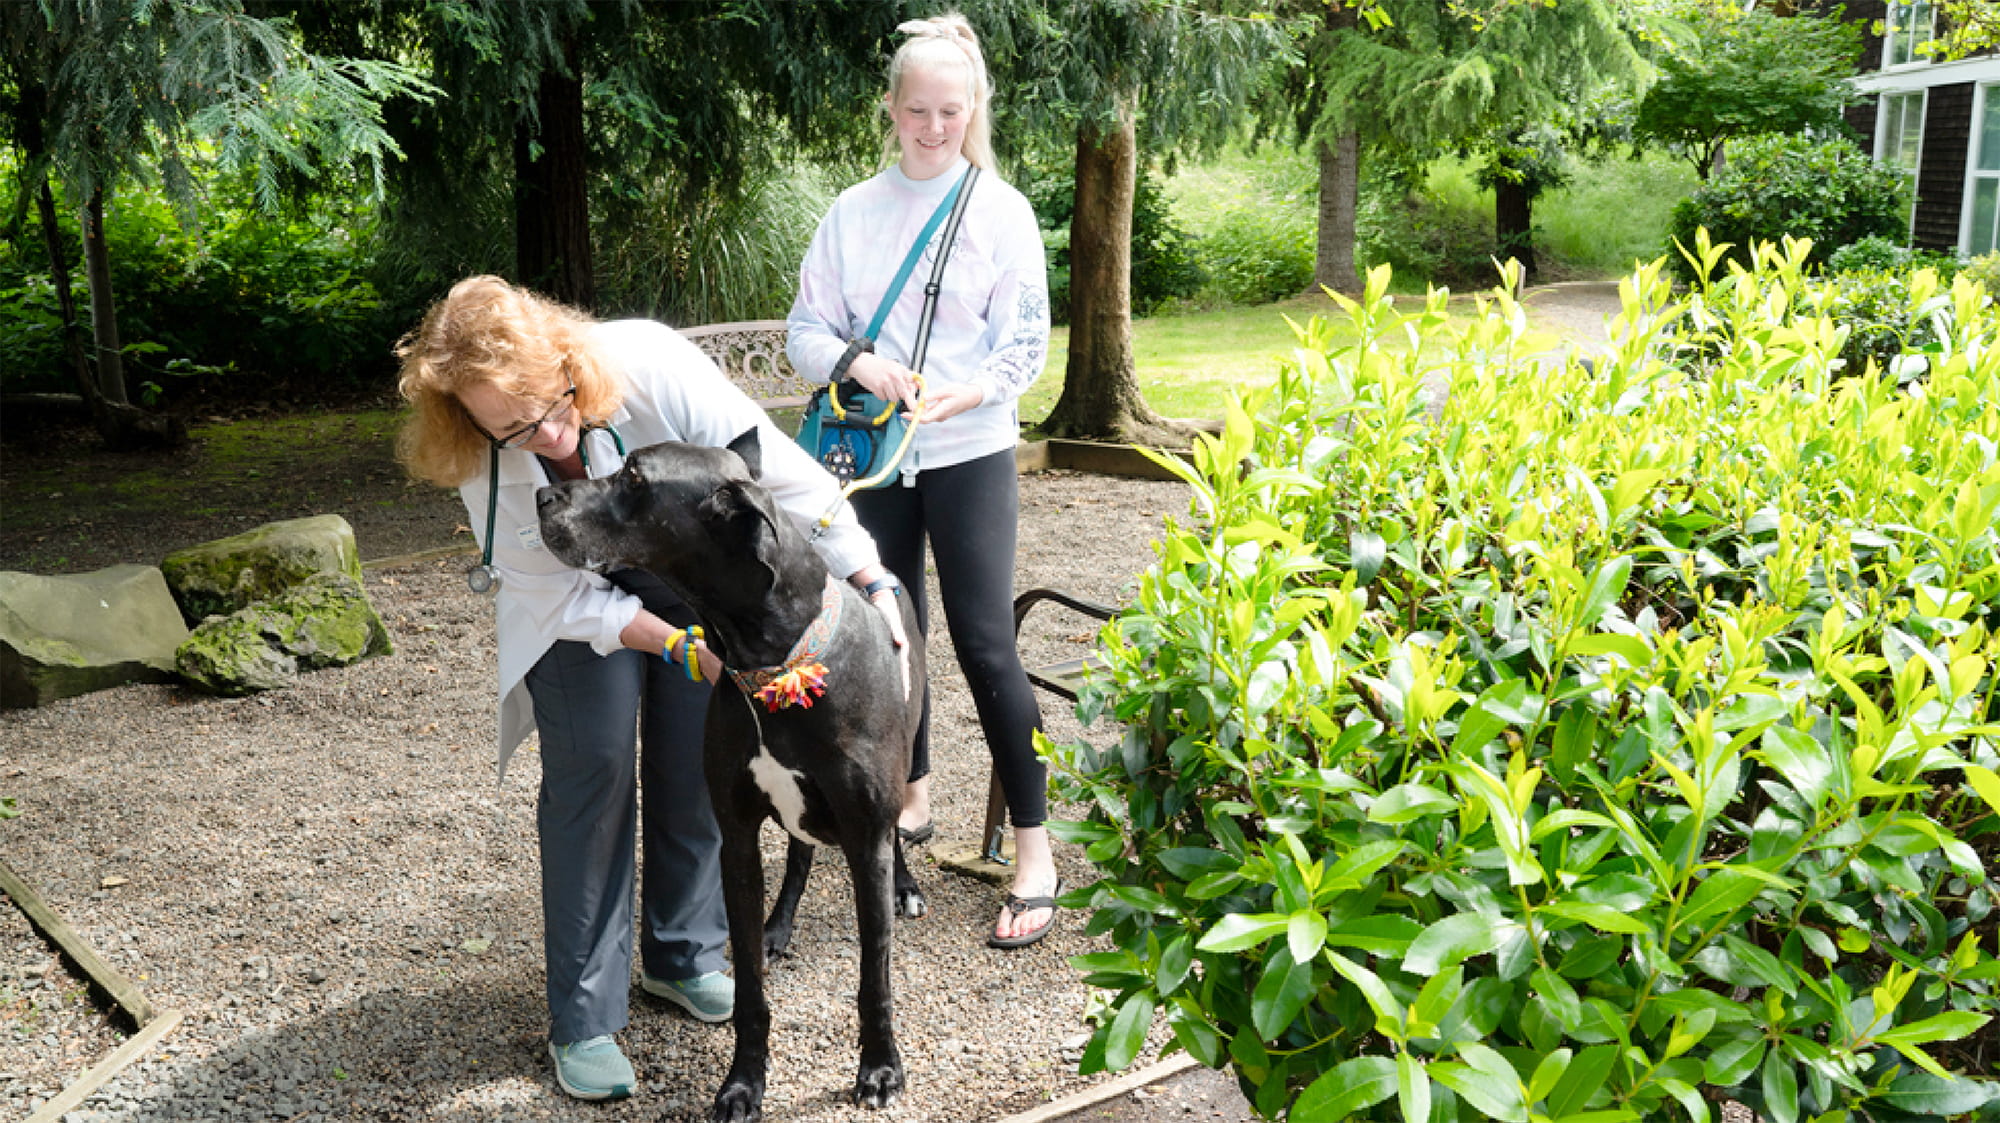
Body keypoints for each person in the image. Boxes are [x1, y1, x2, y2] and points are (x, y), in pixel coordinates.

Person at [394, 275, 907, 1102]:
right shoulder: (479, 465)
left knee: (694, 758)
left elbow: (773, 481)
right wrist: (675, 645)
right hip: (574, 605)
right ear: (470, 422)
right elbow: (558, 595)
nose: (546, 431)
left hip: (686, 569)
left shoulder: (650, 363)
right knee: (592, 766)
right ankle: (585, 1016)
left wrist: (868, 573)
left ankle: (683, 952)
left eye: (550, 402)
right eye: (513, 426)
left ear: (566, 359)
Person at [786, 13, 1058, 950]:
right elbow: (805, 331)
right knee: (891, 628)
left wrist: (967, 391)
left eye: (950, 111)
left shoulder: (1003, 211)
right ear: (891, 108)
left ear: (972, 108)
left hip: (969, 446)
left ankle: (1035, 853)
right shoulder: (852, 212)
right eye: (917, 110)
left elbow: (1026, 343)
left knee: (985, 643)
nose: (933, 127)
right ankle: (912, 797)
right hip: (875, 455)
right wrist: (862, 366)